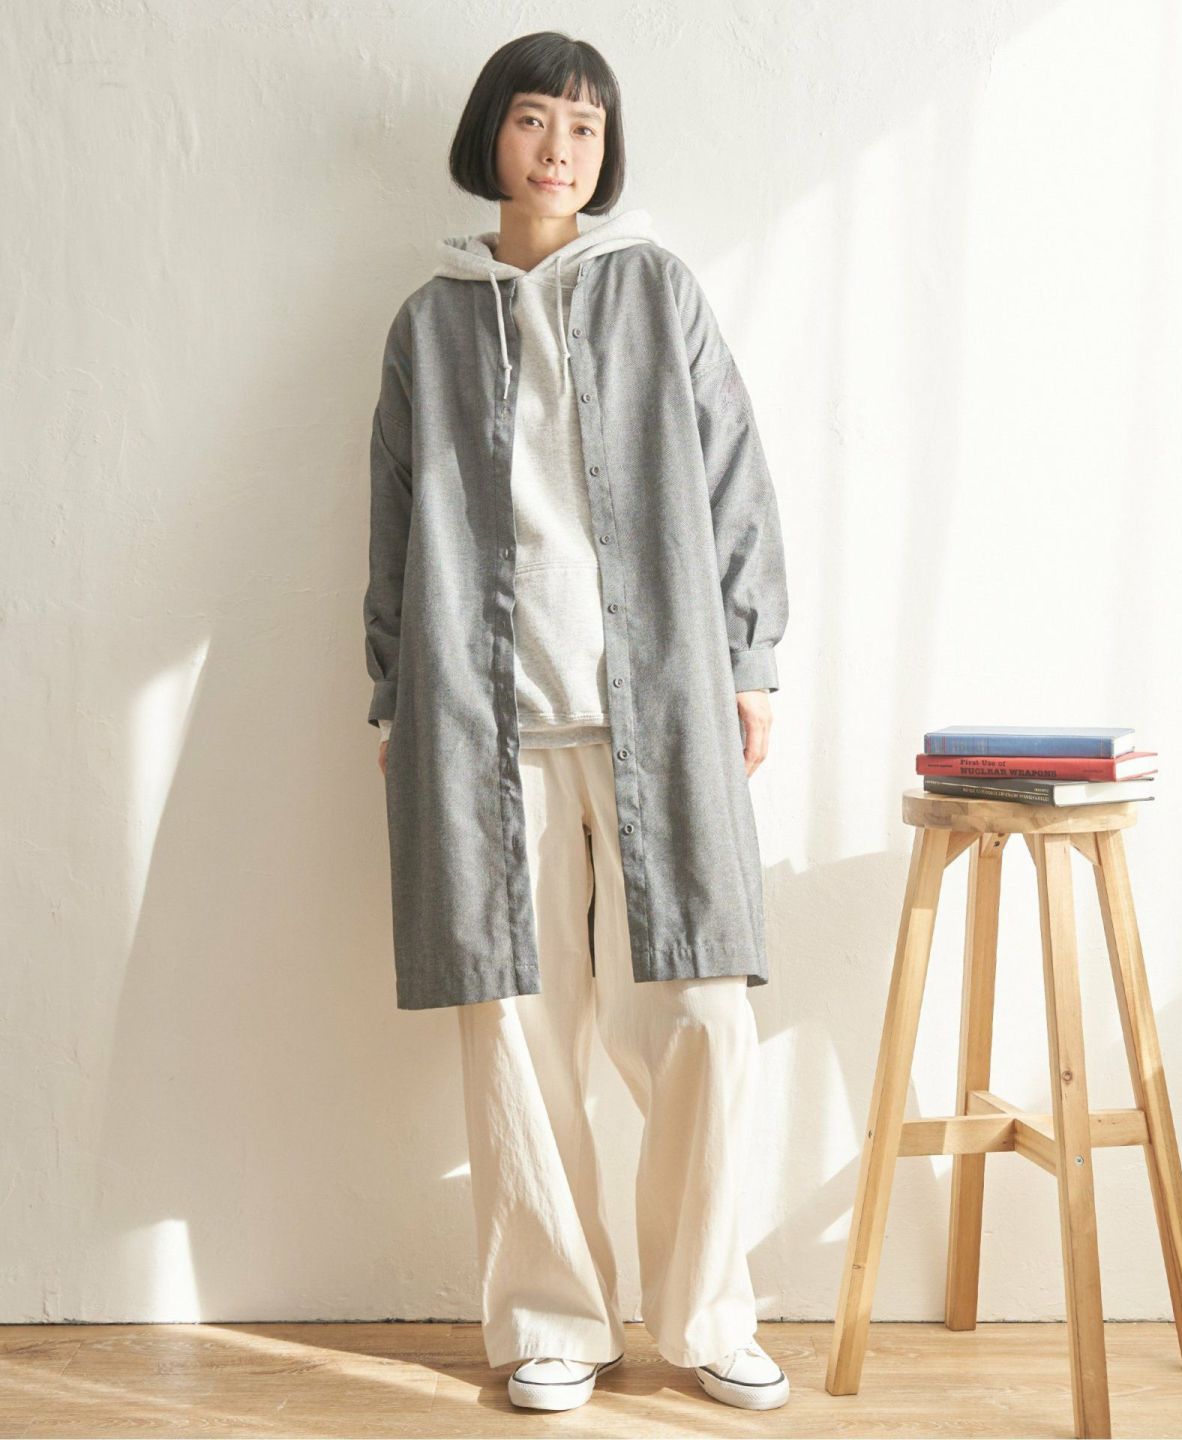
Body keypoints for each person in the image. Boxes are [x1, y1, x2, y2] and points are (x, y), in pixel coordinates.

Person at [362, 30, 790, 1414]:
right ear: (491, 133)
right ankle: (554, 1322)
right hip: (483, 722)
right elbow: (391, 526)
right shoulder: (429, 323)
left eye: (587, 129)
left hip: (657, 709)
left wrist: (751, 660)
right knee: (516, 1025)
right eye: (537, 119)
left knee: (703, 1012)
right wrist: (394, 694)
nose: (561, 149)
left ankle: (709, 1314)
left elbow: (732, 472)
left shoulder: (658, 290)